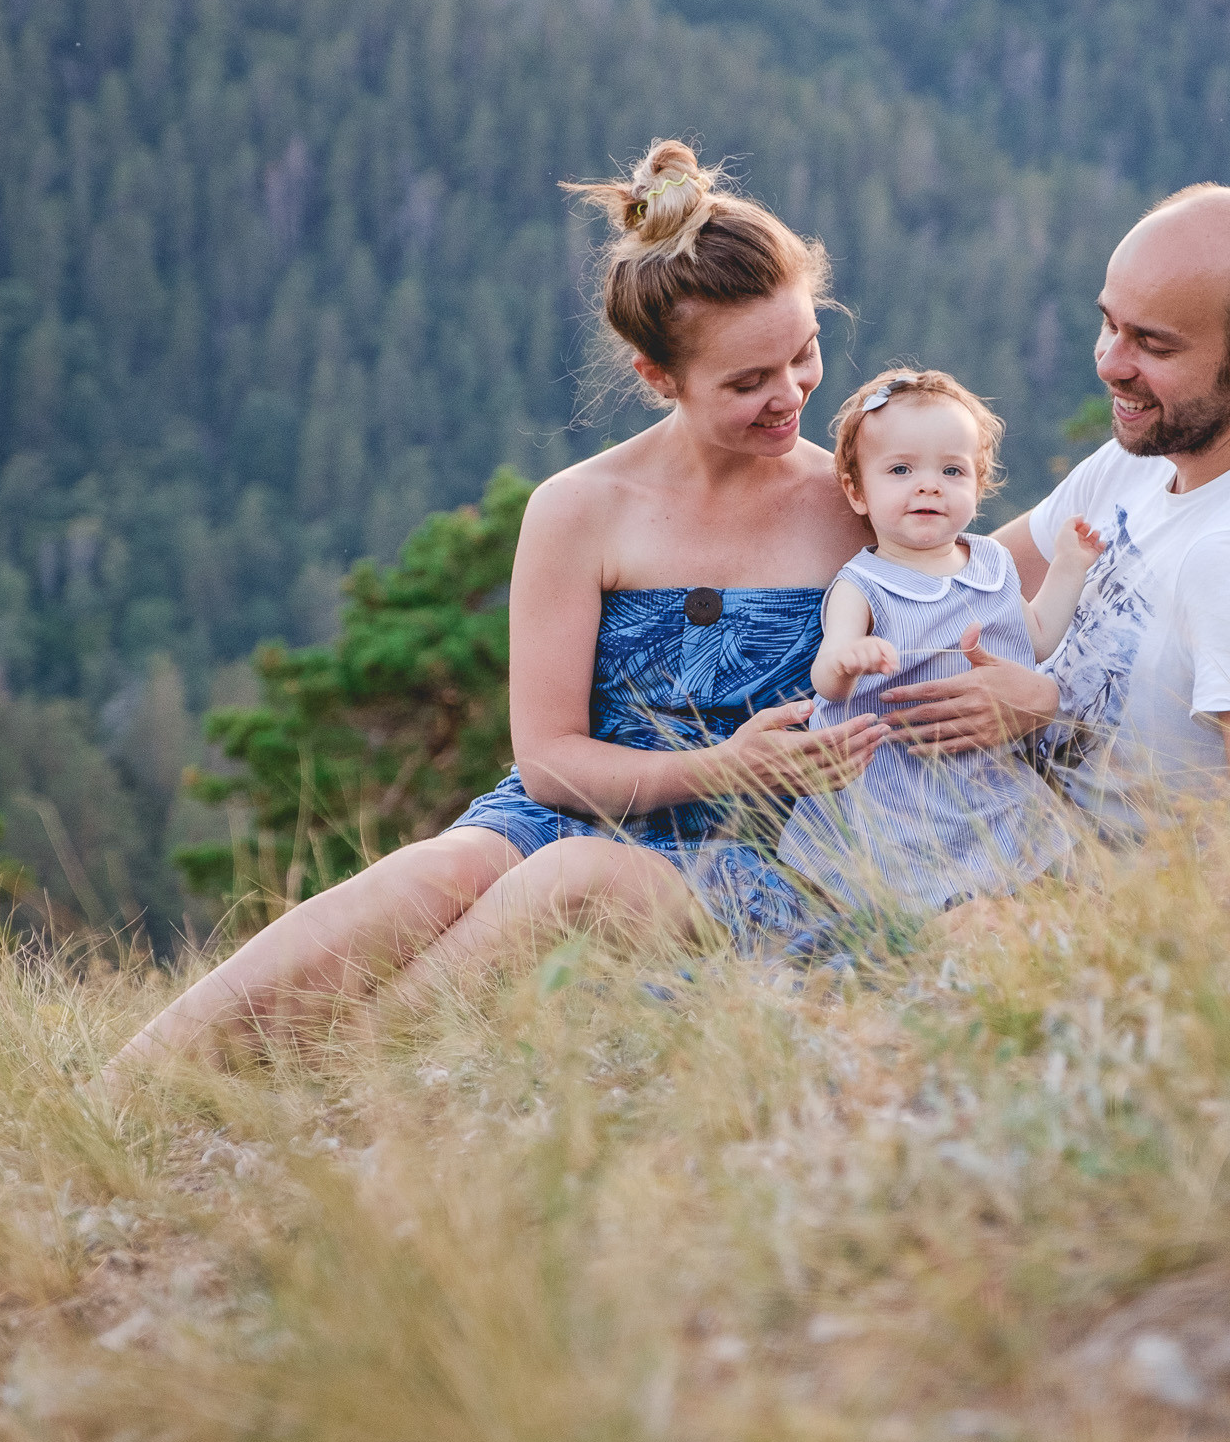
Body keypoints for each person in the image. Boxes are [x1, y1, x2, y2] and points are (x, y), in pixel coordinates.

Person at [109, 139, 887, 1071]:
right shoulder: (579, 509)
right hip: (572, 809)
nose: (791, 394)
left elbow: (983, 590)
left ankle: (337, 1081)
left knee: (570, 881)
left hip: (759, 856)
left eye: (802, 355)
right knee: (445, 865)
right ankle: (127, 1088)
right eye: (747, 382)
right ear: (659, 379)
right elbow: (551, 764)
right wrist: (724, 763)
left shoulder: (857, 505)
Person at [884, 183, 1230, 841]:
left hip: (1097, 919)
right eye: (1109, 323)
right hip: (989, 849)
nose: (1109, 363)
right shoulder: (1139, 459)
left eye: (1154, 346)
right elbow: (960, 586)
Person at [775, 368, 1101, 916]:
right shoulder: (863, 584)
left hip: (985, 776)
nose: (929, 485)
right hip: (891, 787)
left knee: (1048, 891)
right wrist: (850, 661)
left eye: (952, 470)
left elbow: (1037, 639)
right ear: (857, 492)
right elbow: (824, 673)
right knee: (904, 908)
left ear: (978, 484)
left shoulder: (992, 563)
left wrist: (1069, 567)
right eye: (901, 470)